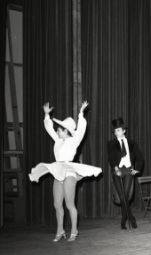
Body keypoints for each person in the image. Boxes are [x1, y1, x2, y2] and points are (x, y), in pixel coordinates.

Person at [29, 101, 102, 242]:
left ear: (66, 131)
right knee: (57, 204)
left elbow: (81, 129)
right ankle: (60, 230)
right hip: (58, 172)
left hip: (69, 173)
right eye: (57, 130)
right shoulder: (58, 141)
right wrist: (46, 115)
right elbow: (49, 128)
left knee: (69, 204)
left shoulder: (74, 141)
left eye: (59, 130)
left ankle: (74, 230)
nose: (57, 132)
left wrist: (81, 113)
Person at [107, 117, 144, 230]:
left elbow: (140, 157)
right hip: (117, 170)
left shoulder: (132, 143)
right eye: (115, 131)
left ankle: (123, 220)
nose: (116, 132)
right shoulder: (111, 143)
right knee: (122, 196)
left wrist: (137, 169)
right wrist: (116, 168)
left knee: (125, 196)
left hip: (128, 170)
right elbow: (111, 158)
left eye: (118, 130)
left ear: (124, 130)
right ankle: (131, 218)